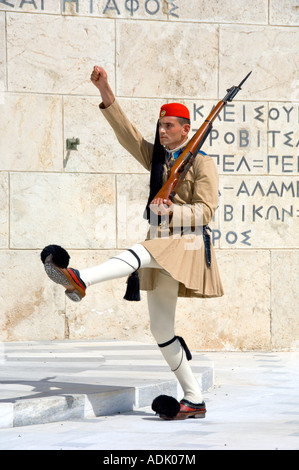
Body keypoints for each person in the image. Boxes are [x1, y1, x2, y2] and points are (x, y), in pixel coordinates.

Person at [41, 66, 224, 420]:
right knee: (160, 329)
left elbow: (206, 211)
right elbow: (128, 136)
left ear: (187, 130)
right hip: (162, 248)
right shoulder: (158, 159)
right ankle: (194, 398)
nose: (162, 130)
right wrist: (105, 92)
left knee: (141, 252)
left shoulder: (203, 164)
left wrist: (171, 211)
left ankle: (81, 278)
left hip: (185, 247)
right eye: (160, 125)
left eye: (169, 125)